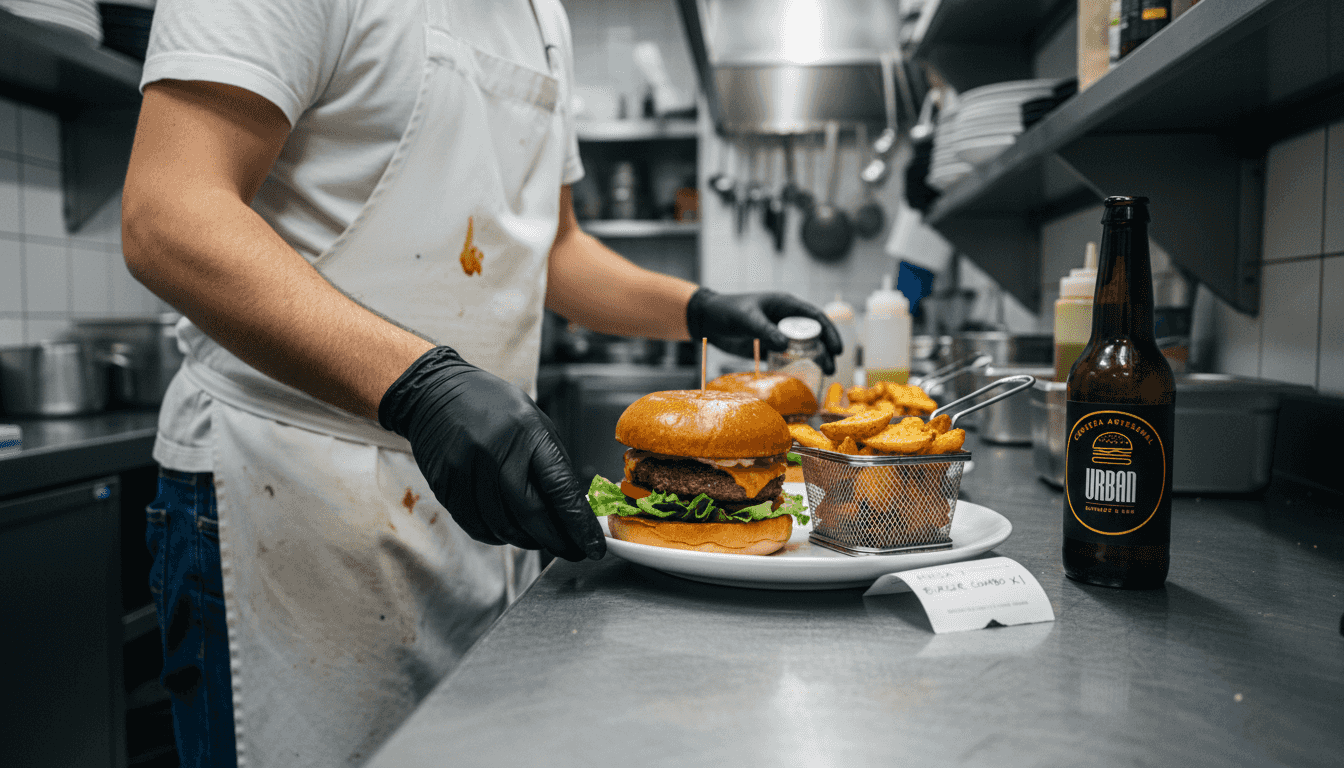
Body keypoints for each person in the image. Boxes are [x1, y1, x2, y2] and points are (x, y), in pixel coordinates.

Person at [122, 1, 842, 766]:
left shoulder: (542, 19)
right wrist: (419, 385)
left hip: (468, 498)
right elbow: (169, 213)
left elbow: (551, 247)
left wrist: (697, 310)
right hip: (287, 491)